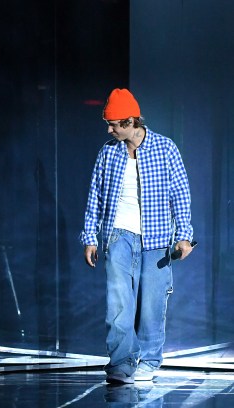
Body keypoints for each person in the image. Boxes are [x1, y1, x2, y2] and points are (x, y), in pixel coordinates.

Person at [80, 88, 194, 385]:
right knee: (118, 303)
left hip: (156, 239)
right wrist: (90, 237)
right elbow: (95, 197)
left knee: (152, 304)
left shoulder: (165, 148)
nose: (110, 130)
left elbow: (180, 194)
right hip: (118, 235)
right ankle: (121, 362)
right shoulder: (108, 153)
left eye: (114, 124)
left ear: (131, 121)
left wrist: (184, 235)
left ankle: (149, 360)